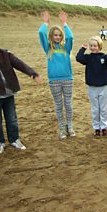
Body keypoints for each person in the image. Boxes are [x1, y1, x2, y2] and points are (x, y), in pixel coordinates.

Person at [0, 25, 43, 156]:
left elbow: (19, 63)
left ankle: (14, 140)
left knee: (12, 119)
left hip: (8, 93)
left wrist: (32, 73)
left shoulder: (4, 53)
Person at [38, 11, 75, 140]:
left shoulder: (66, 48)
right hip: (54, 81)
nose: (58, 37)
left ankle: (69, 126)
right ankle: (61, 128)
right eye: (55, 35)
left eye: (59, 35)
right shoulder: (48, 48)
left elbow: (70, 37)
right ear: (51, 36)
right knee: (59, 105)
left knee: (68, 104)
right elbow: (41, 33)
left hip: (67, 79)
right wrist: (45, 23)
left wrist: (64, 24)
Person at [76, 36, 107, 137]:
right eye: (91, 46)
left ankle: (104, 127)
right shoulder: (88, 58)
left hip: (104, 86)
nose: (93, 47)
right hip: (92, 87)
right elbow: (79, 58)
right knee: (95, 109)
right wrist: (82, 49)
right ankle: (96, 128)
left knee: (103, 109)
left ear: (99, 46)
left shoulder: (104, 57)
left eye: (95, 46)